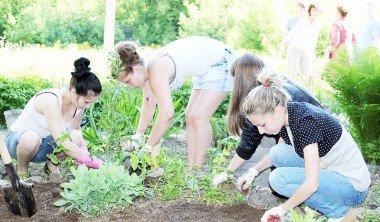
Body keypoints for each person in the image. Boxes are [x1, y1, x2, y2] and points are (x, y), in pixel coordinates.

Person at [236, 70, 371, 222]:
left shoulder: (306, 123)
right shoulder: (289, 115)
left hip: (352, 188)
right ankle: (319, 204)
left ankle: (340, 213)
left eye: (262, 124)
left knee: (278, 179)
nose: (260, 131)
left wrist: (282, 209)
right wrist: (252, 172)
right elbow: (276, 155)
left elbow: (311, 184)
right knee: (278, 152)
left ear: (277, 111)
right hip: (330, 170)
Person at [115, 36, 237, 170]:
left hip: (221, 60)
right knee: (190, 116)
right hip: (206, 66)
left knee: (199, 117)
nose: (129, 86)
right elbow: (148, 104)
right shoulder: (145, 71)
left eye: (127, 81)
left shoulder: (155, 69)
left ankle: (198, 172)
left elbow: (167, 114)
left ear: (137, 70)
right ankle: (192, 169)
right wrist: (139, 135)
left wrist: (148, 148)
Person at [212, 53, 322, 188]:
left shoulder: (260, 100)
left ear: (239, 81)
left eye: (234, 78)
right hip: (300, 136)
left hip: (313, 145)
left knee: (244, 168)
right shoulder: (268, 87)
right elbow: (252, 138)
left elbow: (248, 146)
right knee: (251, 160)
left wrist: (230, 172)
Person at [6, 57, 103, 177]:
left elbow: (76, 130)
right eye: (87, 101)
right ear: (74, 92)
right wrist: (89, 159)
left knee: (76, 136)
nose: (89, 106)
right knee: (31, 138)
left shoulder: (79, 106)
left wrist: (83, 151)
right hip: (20, 145)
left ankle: (51, 166)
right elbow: (62, 141)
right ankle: (22, 171)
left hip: (46, 148)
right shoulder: (50, 99)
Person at [280, 3, 321, 82]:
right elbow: (292, 32)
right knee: (292, 73)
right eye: (314, 10)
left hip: (307, 52)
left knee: (305, 75)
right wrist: (283, 46)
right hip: (295, 49)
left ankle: (302, 93)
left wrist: (314, 54)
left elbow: (314, 40)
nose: (316, 12)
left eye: (317, 10)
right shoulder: (304, 21)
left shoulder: (318, 25)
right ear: (310, 11)